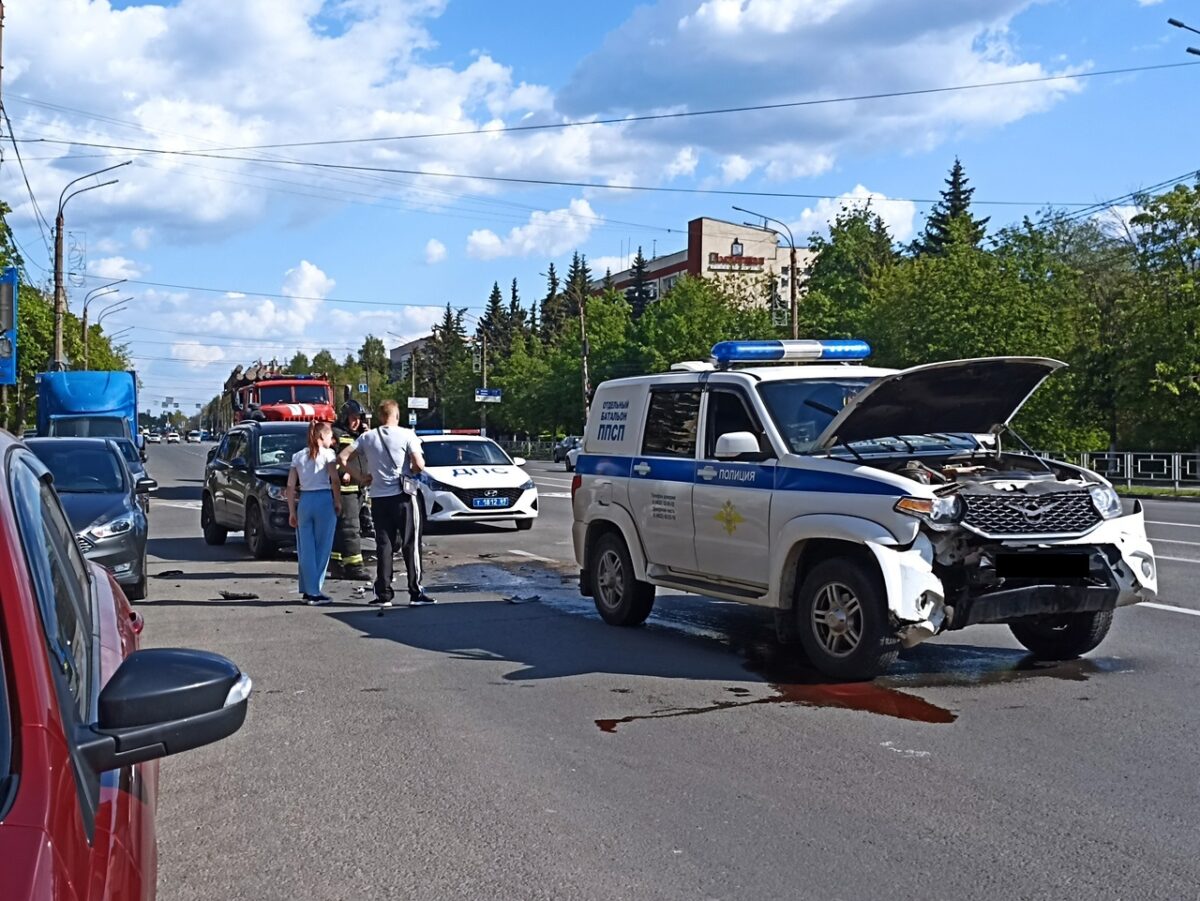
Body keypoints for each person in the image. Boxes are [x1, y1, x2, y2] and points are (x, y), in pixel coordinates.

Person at [339, 399, 435, 608]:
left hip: (379, 498)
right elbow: (419, 464)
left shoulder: (367, 437)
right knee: (411, 544)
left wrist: (361, 476)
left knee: (384, 545)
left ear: (380, 416)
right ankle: (415, 592)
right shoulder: (407, 434)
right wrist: (410, 471)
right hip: (404, 497)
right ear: (396, 415)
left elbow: (342, 458)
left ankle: (383, 594)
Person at [286, 419, 342, 606]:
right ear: (321, 436)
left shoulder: (297, 457)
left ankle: (308, 589)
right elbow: (334, 480)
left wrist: (292, 511)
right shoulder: (329, 455)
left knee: (306, 549)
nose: (332, 439)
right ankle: (314, 591)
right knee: (322, 548)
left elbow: (290, 486)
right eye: (329, 436)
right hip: (324, 501)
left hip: (305, 501)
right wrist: (337, 501)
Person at [329, 400, 371, 582]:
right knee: (350, 528)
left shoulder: (362, 435)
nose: (356, 422)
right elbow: (331, 459)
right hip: (346, 489)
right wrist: (341, 473)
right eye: (353, 418)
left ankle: (337, 564)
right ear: (345, 417)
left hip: (360, 489)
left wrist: (368, 435)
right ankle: (354, 566)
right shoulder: (336, 434)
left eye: (359, 419)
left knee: (342, 529)